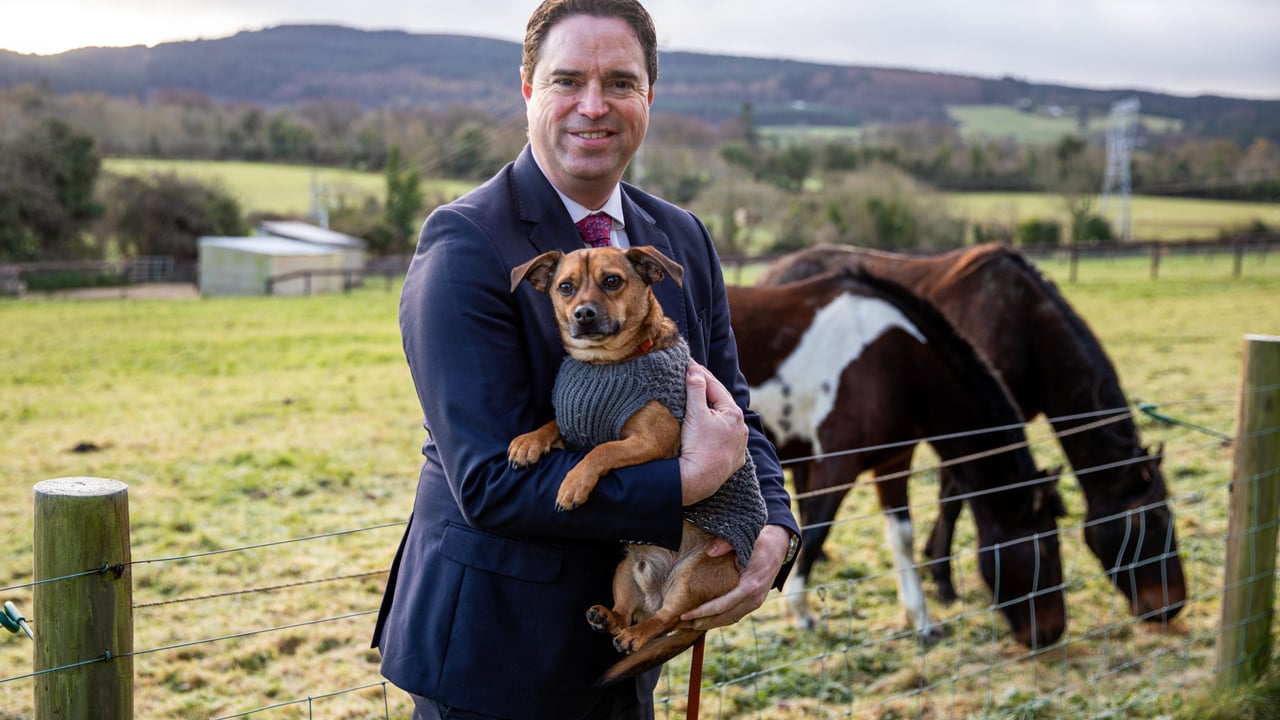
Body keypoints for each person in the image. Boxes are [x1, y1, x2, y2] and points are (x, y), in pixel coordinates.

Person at [372, 1, 800, 718]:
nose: (593, 107)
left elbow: (733, 411)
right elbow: (487, 483)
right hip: (494, 660)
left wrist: (775, 532)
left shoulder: (680, 237)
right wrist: (687, 482)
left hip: (626, 647)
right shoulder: (464, 245)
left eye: (620, 83)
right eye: (568, 80)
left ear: (649, 97)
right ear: (528, 89)